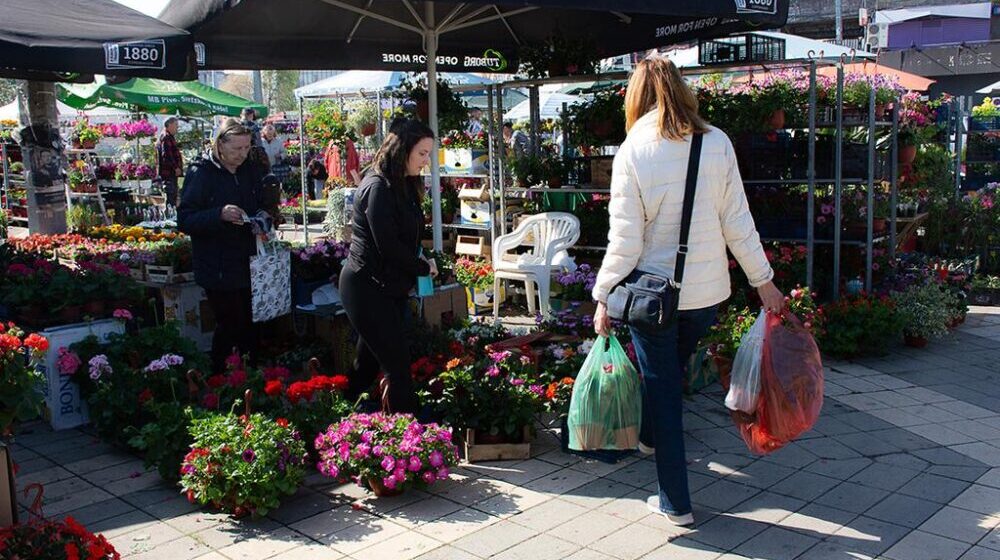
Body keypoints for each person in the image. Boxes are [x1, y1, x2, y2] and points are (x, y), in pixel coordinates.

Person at [591, 57, 783, 528]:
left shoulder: (634, 149)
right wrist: (764, 282)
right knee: (668, 374)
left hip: (653, 298)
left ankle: (675, 502)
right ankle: (652, 439)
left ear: (637, 96)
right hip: (705, 295)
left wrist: (601, 293)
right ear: (681, 89)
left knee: (663, 388)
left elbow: (626, 240)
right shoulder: (716, 142)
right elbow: (737, 220)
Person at [340, 119, 438, 414]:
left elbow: (405, 238)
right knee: (396, 362)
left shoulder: (403, 185)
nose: (426, 161)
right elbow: (387, 244)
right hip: (366, 286)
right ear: (402, 151)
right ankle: (411, 437)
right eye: (422, 154)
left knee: (368, 363)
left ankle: (342, 412)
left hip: (388, 285)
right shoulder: (377, 187)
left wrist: (422, 261)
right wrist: (421, 267)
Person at [177, 118, 265, 374]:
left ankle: (251, 378)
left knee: (250, 325)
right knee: (229, 325)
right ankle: (219, 379)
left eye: (247, 148)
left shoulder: (249, 170)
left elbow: (258, 203)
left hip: (247, 261)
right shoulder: (201, 173)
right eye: (237, 148)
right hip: (216, 265)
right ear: (220, 145)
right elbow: (185, 219)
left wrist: (263, 217)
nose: (242, 154)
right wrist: (218, 214)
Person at [156, 117, 184, 207]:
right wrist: (175, 167)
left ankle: (171, 215)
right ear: (169, 125)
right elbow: (167, 155)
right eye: (176, 125)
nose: (177, 127)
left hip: (170, 173)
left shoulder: (169, 137)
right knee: (171, 197)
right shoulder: (166, 137)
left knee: (172, 197)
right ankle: (170, 217)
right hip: (169, 173)